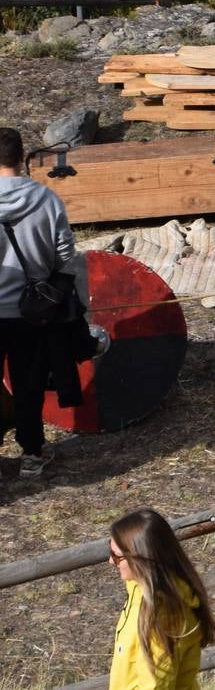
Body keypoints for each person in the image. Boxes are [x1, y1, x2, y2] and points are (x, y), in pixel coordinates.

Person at [106, 509, 215, 690]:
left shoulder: (162, 615)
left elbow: (155, 688)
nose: (110, 561)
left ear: (141, 559)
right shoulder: (146, 588)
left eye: (117, 555)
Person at [0, 125, 78, 479]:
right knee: (28, 383)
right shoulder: (47, 200)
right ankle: (31, 453)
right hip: (32, 310)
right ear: (21, 157)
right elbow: (65, 255)